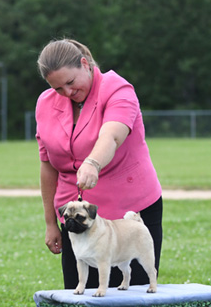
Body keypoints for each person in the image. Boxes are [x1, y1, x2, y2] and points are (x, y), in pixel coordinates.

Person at [35, 39, 162, 290]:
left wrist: (92, 162)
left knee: (129, 301)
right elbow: (48, 165)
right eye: (58, 88)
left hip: (129, 213)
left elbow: (112, 135)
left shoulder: (117, 89)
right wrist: (51, 222)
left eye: (70, 83)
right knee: (80, 299)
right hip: (77, 219)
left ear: (85, 64)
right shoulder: (46, 103)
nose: (67, 93)